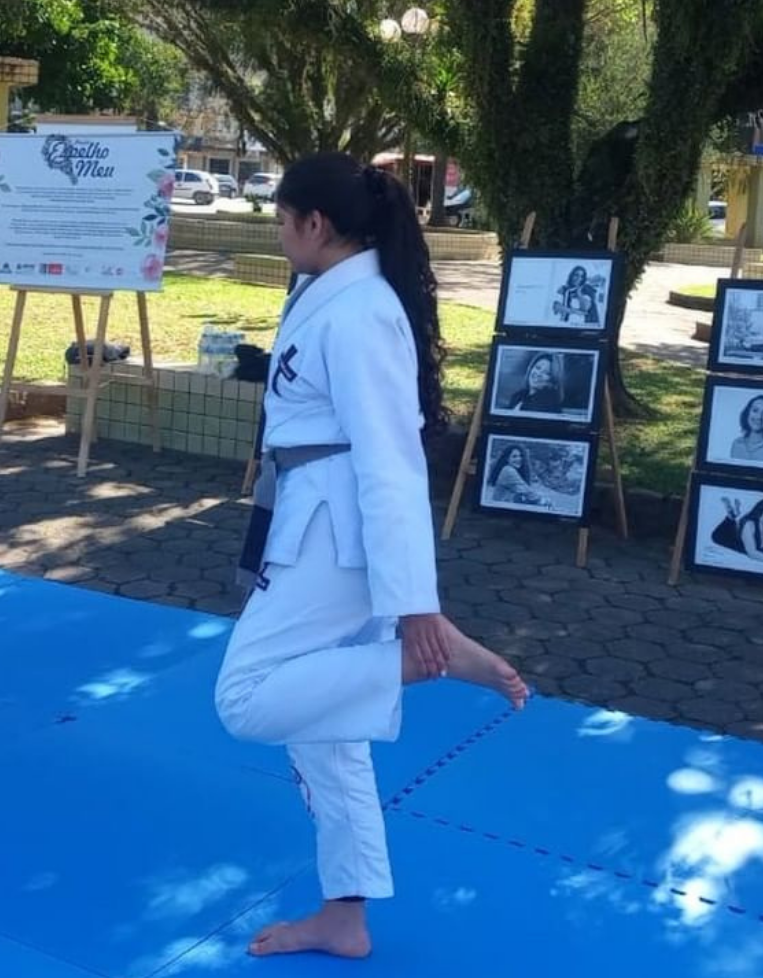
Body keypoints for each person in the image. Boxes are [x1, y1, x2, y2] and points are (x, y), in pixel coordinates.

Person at [215, 152, 528, 961]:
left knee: (246, 698)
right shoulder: (330, 294)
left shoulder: (361, 313)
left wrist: (415, 609)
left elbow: (392, 458)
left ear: (316, 224)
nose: (280, 234)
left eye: (283, 221)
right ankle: (346, 913)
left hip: (334, 533)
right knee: (326, 733)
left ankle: (416, 662)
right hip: (312, 517)